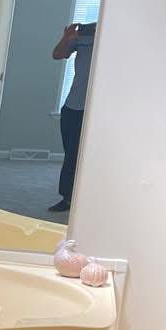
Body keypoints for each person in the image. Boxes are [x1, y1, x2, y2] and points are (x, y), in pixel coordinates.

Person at [49, 20, 96, 213]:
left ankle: (90, 199)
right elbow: (58, 55)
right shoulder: (83, 37)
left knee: (89, 157)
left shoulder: (115, 40)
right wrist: (67, 37)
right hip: (73, 107)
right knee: (71, 155)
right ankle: (67, 199)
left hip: (97, 110)